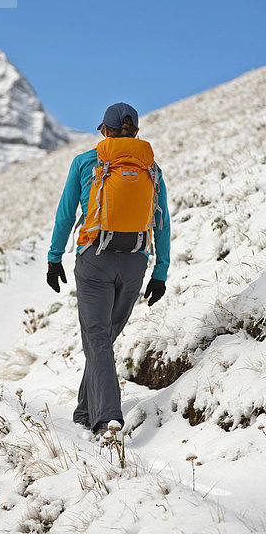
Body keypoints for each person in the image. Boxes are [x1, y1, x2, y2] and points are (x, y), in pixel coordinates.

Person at [46, 103, 170, 436]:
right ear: (136, 132)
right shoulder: (150, 168)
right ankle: (86, 410)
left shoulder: (86, 162)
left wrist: (54, 256)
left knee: (97, 339)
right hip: (135, 262)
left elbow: (66, 214)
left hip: (95, 260)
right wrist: (160, 272)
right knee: (103, 339)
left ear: (105, 131)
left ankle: (108, 417)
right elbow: (162, 222)